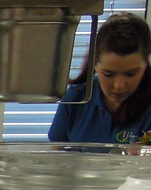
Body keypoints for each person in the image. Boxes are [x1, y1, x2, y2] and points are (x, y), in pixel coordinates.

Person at [48, 11, 151, 144]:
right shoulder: (77, 97)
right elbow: (58, 150)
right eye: (108, 74)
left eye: (131, 74)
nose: (119, 86)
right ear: (94, 65)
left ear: (146, 65)